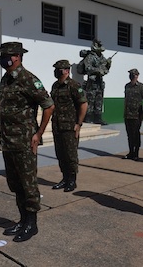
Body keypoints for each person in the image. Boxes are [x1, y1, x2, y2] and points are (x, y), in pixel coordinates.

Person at [0, 42, 54, 242]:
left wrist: (38, 134)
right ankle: (22, 220)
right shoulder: (5, 79)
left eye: (8, 55)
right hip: (8, 142)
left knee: (29, 185)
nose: (4, 59)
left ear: (18, 57)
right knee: (15, 184)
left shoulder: (28, 79)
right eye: (2, 55)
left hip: (24, 142)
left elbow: (48, 106)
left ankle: (32, 224)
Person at [51, 60, 88, 192]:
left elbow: (83, 105)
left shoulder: (73, 85)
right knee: (60, 154)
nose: (56, 72)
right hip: (57, 126)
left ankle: (72, 180)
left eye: (59, 69)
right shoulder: (55, 85)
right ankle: (64, 178)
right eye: (55, 69)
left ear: (66, 70)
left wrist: (78, 124)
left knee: (70, 155)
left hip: (69, 127)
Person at [83, 39, 112, 125]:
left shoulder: (102, 57)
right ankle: (87, 117)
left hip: (99, 82)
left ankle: (98, 118)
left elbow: (105, 69)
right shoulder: (90, 57)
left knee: (99, 100)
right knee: (90, 100)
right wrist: (97, 70)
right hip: (92, 82)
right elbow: (87, 68)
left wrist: (108, 64)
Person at [123, 68, 143, 161]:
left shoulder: (141, 87)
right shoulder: (127, 86)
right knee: (129, 135)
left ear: (137, 76)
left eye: (133, 75)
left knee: (136, 135)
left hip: (136, 115)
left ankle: (136, 153)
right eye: (130, 74)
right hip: (127, 115)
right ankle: (131, 152)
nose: (131, 76)